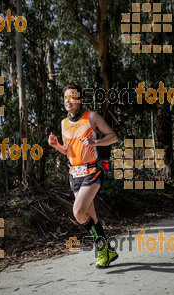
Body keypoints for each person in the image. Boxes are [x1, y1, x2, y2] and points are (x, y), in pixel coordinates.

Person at [48, 84, 118, 268]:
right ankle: (108, 251)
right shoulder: (63, 123)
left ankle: (102, 249)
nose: (67, 101)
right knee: (91, 218)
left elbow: (113, 137)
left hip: (92, 172)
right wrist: (56, 145)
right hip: (74, 175)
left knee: (78, 212)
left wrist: (95, 142)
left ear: (80, 99)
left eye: (72, 97)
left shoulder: (92, 117)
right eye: (65, 97)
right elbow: (69, 152)